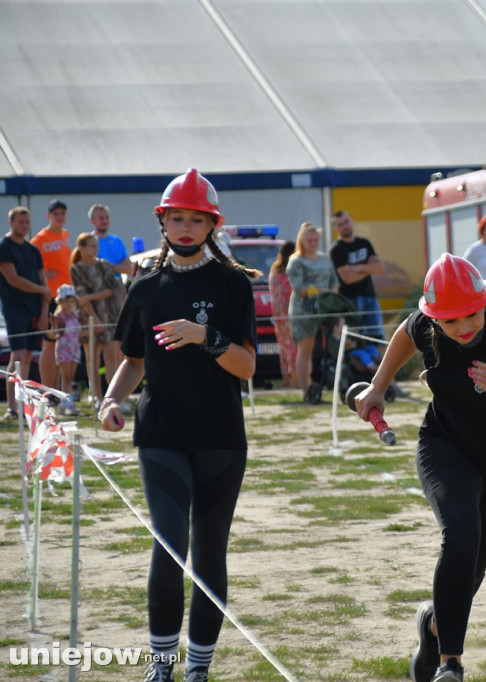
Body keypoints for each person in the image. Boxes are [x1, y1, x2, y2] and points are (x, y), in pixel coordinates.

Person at [353, 254, 486, 682]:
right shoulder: (429, 327)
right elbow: (406, 333)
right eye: (450, 322)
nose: (463, 327)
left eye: (471, 314)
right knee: (461, 535)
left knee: (470, 572)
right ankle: (451, 665)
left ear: (485, 302)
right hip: (445, 447)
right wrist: (378, 384)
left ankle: (432, 626)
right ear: (436, 319)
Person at [97, 168, 258, 682]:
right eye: (177, 218)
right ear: (162, 221)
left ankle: (198, 670)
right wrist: (109, 401)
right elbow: (133, 360)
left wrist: (205, 336)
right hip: (160, 434)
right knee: (169, 546)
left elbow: (248, 366)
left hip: (220, 438)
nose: (186, 227)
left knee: (209, 552)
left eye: (197, 219)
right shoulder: (144, 287)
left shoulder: (233, 283)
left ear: (212, 225)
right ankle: (161, 666)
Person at [0, 207, 49, 418]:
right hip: (14, 309)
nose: (25, 226)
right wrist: (42, 290)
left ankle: (23, 402)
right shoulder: (4, 247)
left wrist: (45, 312)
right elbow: (14, 280)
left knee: (28, 356)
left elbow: (43, 281)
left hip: (35, 309)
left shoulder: (33, 250)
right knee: (18, 356)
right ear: (11, 223)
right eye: (21, 222)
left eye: (27, 222)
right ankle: (12, 406)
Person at [70, 231, 127, 405]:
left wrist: (91, 296)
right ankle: (96, 396)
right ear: (82, 248)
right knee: (92, 359)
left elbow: (110, 290)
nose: (96, 249)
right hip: (89, 319)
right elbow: (81, 297)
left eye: (97, 245)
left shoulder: (103, 265)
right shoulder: (76, 268)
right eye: (92, 246)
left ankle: (114, 396)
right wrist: (94, 318)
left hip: (109, 315)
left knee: (112, 358)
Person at [287, 222, 338, 401]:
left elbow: (334, 282)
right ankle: (306, 391)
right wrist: (323, 291)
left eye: (316, 239)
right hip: (303, 310)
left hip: (325, 309)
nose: (313, 242)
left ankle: (335, 384)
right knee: (305, 351)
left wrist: (330, 295)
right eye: (309, 239)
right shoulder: (296, 261)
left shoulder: (325, 258)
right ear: (302, 240)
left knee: (332, 346)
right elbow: (300, 288)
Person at [32, 199, 74, 389]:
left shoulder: (65, 234)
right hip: (50, 297)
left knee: (61, 345)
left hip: (66, 298)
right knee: (48, 344)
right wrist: (40, 275)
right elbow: (29, 266)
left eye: (62, 213)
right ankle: (47, 389)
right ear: (49, 216)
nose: (59, 217)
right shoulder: (39, 240)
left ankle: (56, 389)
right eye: (55, 214)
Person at [329, 210, 385, 344]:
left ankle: (379, 365)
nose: (345, 226)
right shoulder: (336, 249)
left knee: (378, 338)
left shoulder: (364, 243)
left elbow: (380, 268)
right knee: (356, 341)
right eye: (341, 224)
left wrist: (356, 268)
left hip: (370, 298)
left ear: (351, 220)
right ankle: (364, 365)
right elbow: (347, 279)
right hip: (350, 301)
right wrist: (368, 268)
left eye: (346, 221)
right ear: (336, 228)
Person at [268, 240, 299, 388]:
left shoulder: (273, 271)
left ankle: (285, 378)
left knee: (283, 347)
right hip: (291, 314)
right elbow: (294, 291)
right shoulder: (290, 272)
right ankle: (295, 379)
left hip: (278, 315)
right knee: (293, 347)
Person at [51, 284, 83, 416]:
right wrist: (53, 324)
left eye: (71, 301)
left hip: (74, 348)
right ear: (60, 302)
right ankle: (66, 402)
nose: (68, 304)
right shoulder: (58, 317)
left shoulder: (76, 316)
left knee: (71, 377)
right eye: (65, 301)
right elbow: (54, 333)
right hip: (63, 349)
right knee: (66, 378)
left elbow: (79, 331)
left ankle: (65, 403)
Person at [89, 204, 133, 275]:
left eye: (107, 217)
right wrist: (119, 267)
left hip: (116, 284)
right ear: (92, 221)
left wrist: (110, 267)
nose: (105, 221)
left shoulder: (117, 241)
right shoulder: (87, 241)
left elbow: (129, 268)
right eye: (101, 218)